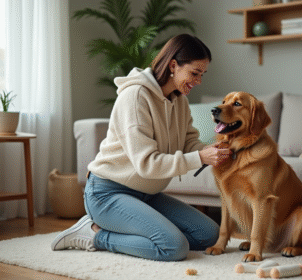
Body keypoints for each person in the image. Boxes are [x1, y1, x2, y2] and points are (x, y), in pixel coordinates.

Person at [51, 34, 231, 261]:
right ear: (173, 66)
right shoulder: (135, 97)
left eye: (202, 74)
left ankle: (140, 232)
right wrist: (200, 158)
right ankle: (93, 234)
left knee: (209, 234)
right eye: (194, 73)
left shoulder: (180, 101)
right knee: (173, 248)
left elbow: (189, 143)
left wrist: (213, 150)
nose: (199, 81)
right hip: (108, 193)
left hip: (147, 194)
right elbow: (147, 164)